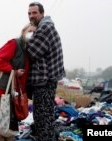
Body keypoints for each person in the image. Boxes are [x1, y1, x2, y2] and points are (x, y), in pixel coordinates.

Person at [26, 2, 66, 141]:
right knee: (45, 117)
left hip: (45, 81)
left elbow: (31, 52)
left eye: (34, 13)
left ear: (42, 13)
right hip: (46, 81)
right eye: (29, 13)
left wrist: (25, 35)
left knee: (42, 119)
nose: (31, 16)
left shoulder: (44, 29)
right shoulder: (43, 28)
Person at [0, 24, 36, 141]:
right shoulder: (14, 44)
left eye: (34, 32)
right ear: (23, 32)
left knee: (11, 126)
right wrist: (13, 71)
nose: (31, 34)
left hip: (15, 94)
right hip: (4, 91)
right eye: (29, 31)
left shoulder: (29, 50)